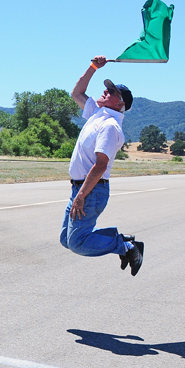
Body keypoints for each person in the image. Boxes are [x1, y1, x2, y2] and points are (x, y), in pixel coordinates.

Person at [60, 55, 143, 275]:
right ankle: (123, 242)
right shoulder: (98, 113)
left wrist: (81, 196)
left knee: (78, 243)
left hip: (91, 191)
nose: (106, 91)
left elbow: (99, 166)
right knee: (66, 240)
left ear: (120, 103)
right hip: (81, 188)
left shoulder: (110, 126)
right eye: (108, 89)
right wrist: (93, 67)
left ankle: (126, 246)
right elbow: (76, 93)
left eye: (112, 92)